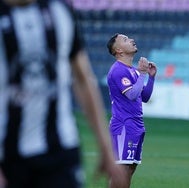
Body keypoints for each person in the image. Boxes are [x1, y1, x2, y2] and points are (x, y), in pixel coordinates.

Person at [0, 0, 126, 188]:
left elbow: (83, 80)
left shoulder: (61, 11)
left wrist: (106, 148)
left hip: (61, 152)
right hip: (9, 157)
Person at [106, 33, 157, 188]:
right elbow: (132, 94)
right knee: (122, 169)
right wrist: (142, 73)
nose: (132, 40)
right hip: (123, 125)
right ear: (119, 51)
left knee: (130, 168)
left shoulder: (133, 71)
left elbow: (145, 97)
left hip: (136, 126)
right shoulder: (118, 70)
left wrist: (151, 77)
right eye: (126, 40)